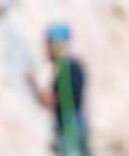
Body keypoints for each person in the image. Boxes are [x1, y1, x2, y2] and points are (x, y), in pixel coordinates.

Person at [30, 22, 89, 156]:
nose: (46, 48)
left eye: (49, 44)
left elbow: (52, 103)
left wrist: (34, 84)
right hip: (71, 132)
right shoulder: (70, 67)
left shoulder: (68, 70)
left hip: (70, 134)